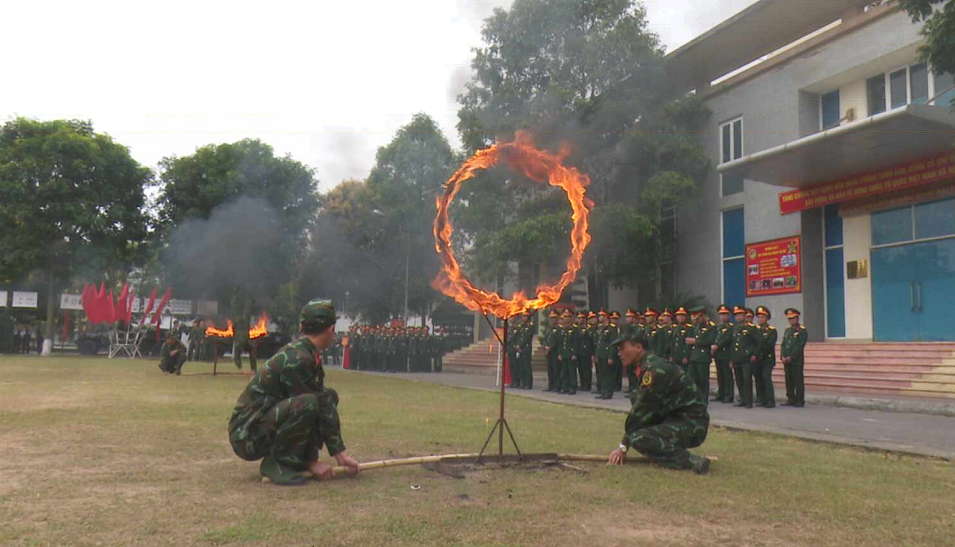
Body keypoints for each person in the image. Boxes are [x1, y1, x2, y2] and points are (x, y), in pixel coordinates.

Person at [228, 299, 360, 486]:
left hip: (262, 423)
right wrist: (312, 461)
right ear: (330, 330)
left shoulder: (307, 353)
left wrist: (339, 453)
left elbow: (323, 403)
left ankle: (295, 460)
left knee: (327, 397)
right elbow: (310, 407)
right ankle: (278, 463)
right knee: (308, 403)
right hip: (247, 435)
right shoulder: (297, 359)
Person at [607, 331, 711, 474]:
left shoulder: (655, 370)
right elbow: (643, 409)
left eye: (622, 348)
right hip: (676, 418)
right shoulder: (646, 366)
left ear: (638, 347)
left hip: (692, 423)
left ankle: (692, 461)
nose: (619, 353)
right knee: (635, 397)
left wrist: (623, 447)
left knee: (638, 438)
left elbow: (640, 412)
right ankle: (664, 454)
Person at [685, 306, 716, 406]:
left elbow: (710, 341)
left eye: (697, 318)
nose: (696, 321)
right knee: (692, 380)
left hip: (703, 357)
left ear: (702, 316)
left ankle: (703, 401)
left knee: (703, 381)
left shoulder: (711, 326)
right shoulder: (697, 326)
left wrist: (695, 341)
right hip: (694, 356)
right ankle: (694, 400)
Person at [731, 306, 761, 408]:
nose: (738, 317)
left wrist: (754, 354)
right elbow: (733, 344)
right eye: (736, 315)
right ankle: (742, 400)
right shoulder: (735, 328)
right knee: (739, 380)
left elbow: (759, 343)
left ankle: (749, 401)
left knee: (746, 379)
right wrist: (731, 359)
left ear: (745, 316)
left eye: (740, 315)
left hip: (747, 358)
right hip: (737, 358)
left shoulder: (751, 328)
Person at [781, 308, 807, 407]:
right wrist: (782, 356)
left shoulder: (802, 331)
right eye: (789, 319)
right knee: (789, 380)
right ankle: (790, 398)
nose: (791, 320)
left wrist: (791, 357)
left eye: (793, 318)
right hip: (786, 360)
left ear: (797, 318)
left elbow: (800, 346)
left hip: (796, 360)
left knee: (798, 380)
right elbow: (783, 345)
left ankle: (800, 400)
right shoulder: (787, 331)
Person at [754, 306, 777, 408]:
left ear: (767, 318)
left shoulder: (771, 330)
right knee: (758, 379)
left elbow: (769, 345)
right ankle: (761, 399)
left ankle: (770, 400)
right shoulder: (755, 330)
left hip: (767, 359)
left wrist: (758, 351)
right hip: (757, 359)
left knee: (766, 378)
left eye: (763, 317)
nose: (760, 319)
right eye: (759, 317)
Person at [712, 305, 735, 403]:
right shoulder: (718, 327)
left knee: (727, 376)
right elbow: (715, 338)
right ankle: (720, 394)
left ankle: (729, 395)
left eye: (725, 314)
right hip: (718, 354)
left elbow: (728, 339)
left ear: (729, 315)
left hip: (726, 354)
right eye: (721, 314)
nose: (723, 316)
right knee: (720, 375)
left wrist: (717, 346)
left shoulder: (731, 327)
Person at [557, 309, 578, 394]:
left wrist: (574, 353)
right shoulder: (563, 329)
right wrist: (559, 353)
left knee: (572, 372)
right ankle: (565, 387)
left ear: (571, 318)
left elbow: (576, 342)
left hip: (571, 353)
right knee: (564, 371)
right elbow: (560, 343)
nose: (566, 318)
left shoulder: (574, 329)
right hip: (564, 353)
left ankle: (572, 387)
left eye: (567, 316)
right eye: (564, 316)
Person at [576, 311, 595, 393]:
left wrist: (592, 353)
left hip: (587, 352)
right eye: (579, 318)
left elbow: (591, 341)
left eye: (582, 318)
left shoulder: (589, 328)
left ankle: (587, 385)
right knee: (580, 369)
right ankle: (583, 384)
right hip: (579, 352)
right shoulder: (577, 328)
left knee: (587, 369)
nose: (581, 319)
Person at [542, 310, 560, 392]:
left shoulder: (559, 329)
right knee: (550, 370)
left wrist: (550, 347)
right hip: (548, 352)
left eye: (554, 318)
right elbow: (544, 339)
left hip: (555, 352)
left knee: (556, 370)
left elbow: (557, 341)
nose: (552, 320)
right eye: (551, 318)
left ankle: (557, 386)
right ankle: (551, 385)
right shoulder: (548, 329)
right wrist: (545, 346)